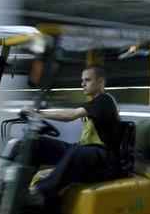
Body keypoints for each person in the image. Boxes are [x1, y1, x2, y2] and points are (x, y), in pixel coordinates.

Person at [21, 65, 120, 205]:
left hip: (103, 155)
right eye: (82, 80)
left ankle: (39, 193)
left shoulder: (104, 101)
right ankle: (19, 187)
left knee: (76, 152)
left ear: (100, 82)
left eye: (87, 80)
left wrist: (37, 112)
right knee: (38, 143)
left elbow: (71, 115)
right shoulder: (94, 103)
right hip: (86, 149)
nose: (82, 84)